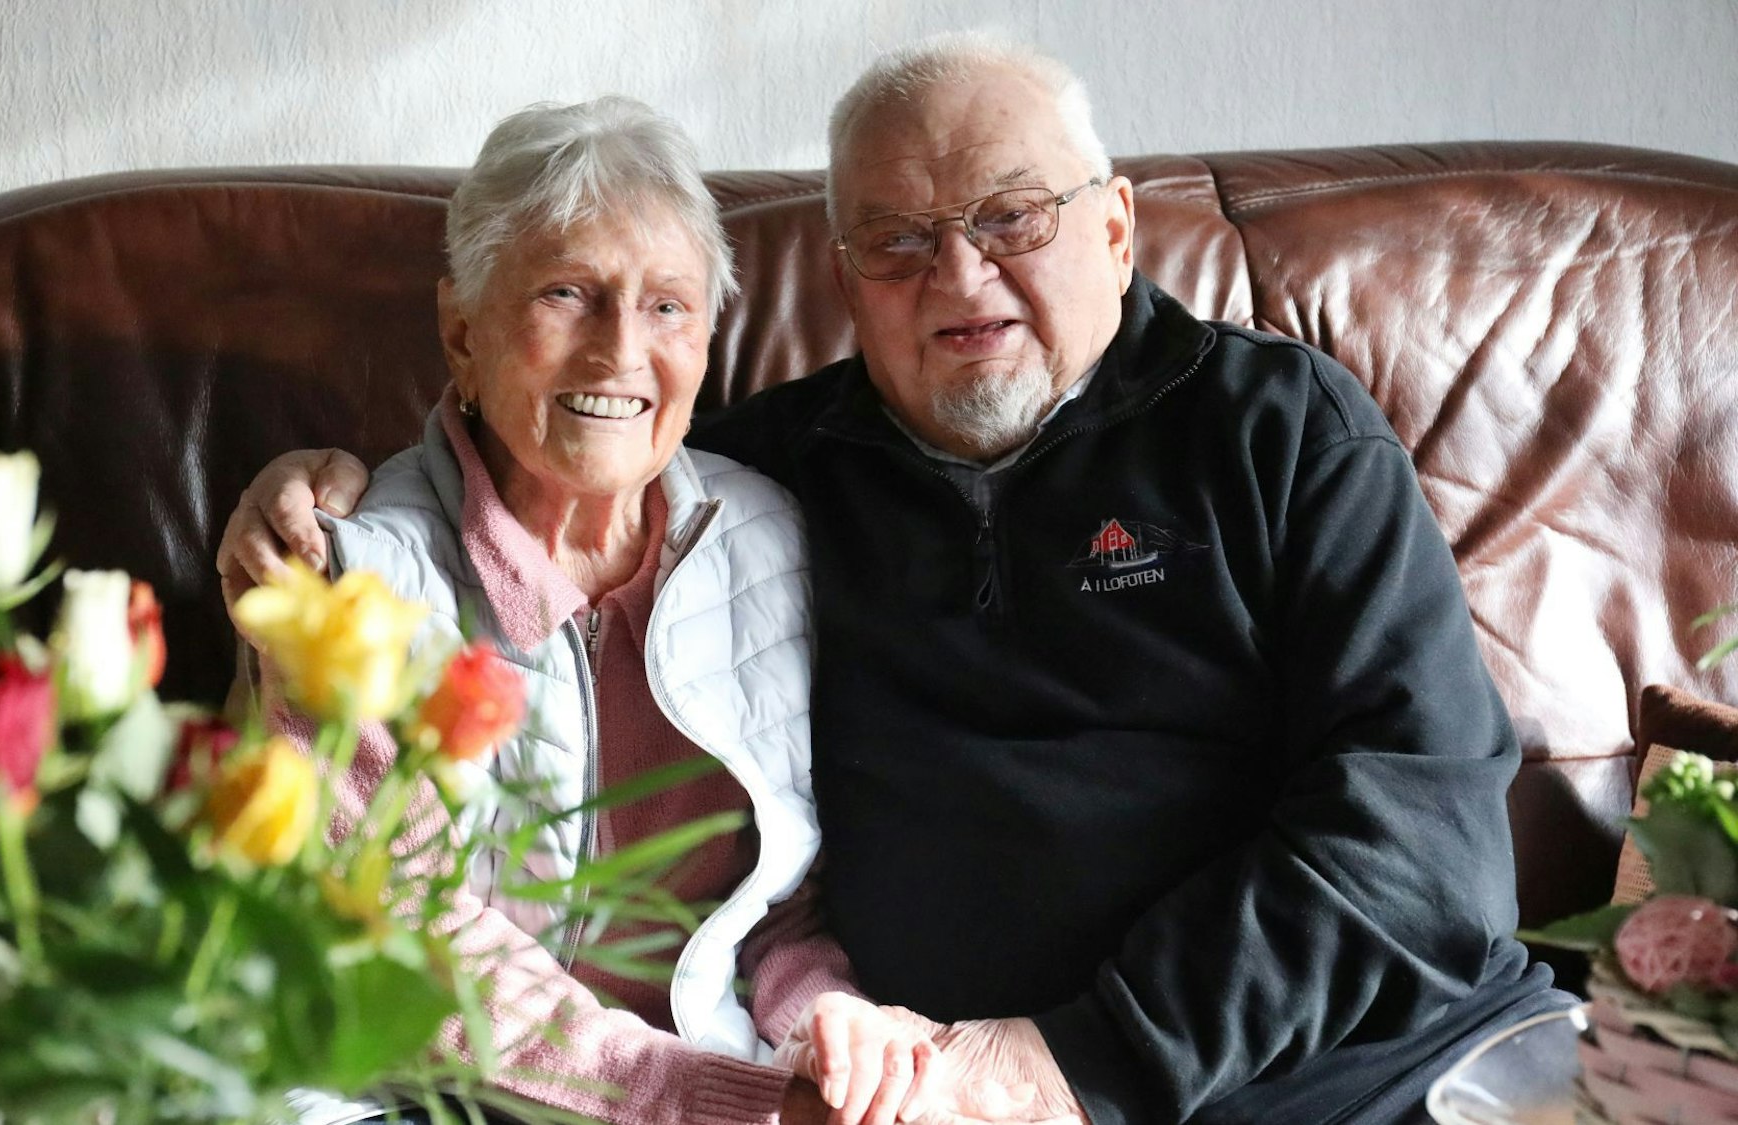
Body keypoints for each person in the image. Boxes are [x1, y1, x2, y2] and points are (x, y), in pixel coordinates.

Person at [222, 35, 1575, 1125]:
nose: (961, 275)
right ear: (846, 279)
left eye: (1010, 217)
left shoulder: (1278, 431)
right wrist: (325, 486)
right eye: (899, 240)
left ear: (1114, 231)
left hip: (1372, 1075)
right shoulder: (776, 482)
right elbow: (574, 449)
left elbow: (1428, 852)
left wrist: (1066, 1067)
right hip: (911, 1094)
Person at [261, 95, 996, 1125]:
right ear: (460, 331)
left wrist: (827, 1027)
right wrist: (710, 1099)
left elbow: (779, 910)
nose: (619, 351)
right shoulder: (351, 582)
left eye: (666, 306)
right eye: (567, 293)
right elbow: (401, 945)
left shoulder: (767, 540)